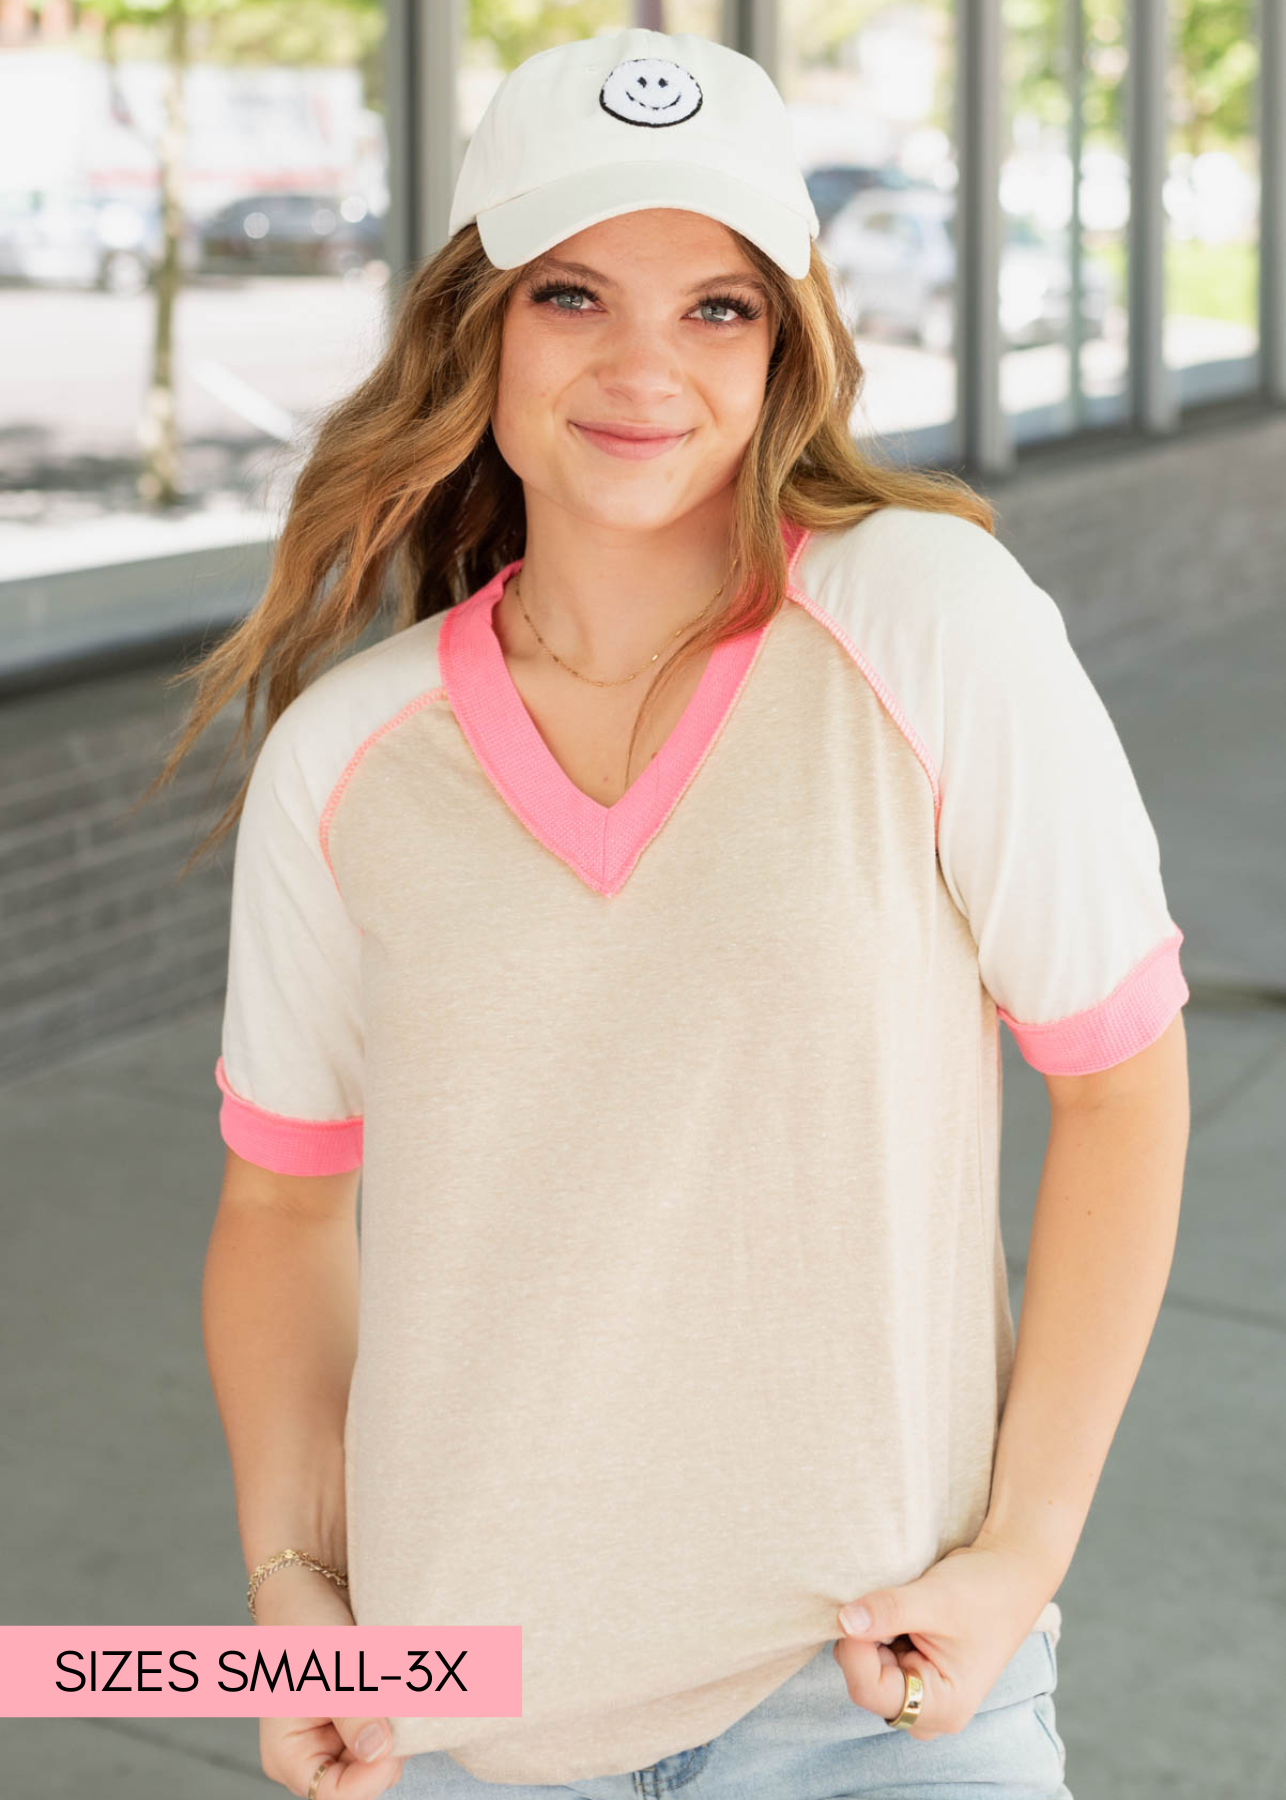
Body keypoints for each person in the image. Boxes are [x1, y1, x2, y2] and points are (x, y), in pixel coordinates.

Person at [175, 25, 1191, 1800]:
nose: (647, 365)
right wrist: (294, 1589)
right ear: (473, 329)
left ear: (787, 344)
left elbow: (1119, 1084)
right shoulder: (349, 757)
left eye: (719, 306)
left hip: (872, 1697)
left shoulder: (923, 620)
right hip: (467, 1721)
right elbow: (278, 1209)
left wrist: (1018, 1555)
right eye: (574, 296)